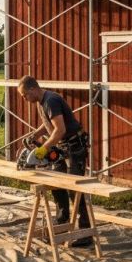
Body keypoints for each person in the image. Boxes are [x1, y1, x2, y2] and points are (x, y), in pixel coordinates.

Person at [17, 75, 92, 246]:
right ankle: (62, 222)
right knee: (56, 184)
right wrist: (35, 134)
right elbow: (48, 124)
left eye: (24, 95)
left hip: (74, 146)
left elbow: (59, 130)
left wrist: (43, 150)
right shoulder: (41, 102)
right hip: (63, 146)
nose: (24, 99)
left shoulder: (51, 100)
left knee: (75, 188)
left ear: (32, 89)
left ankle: (86, 232)